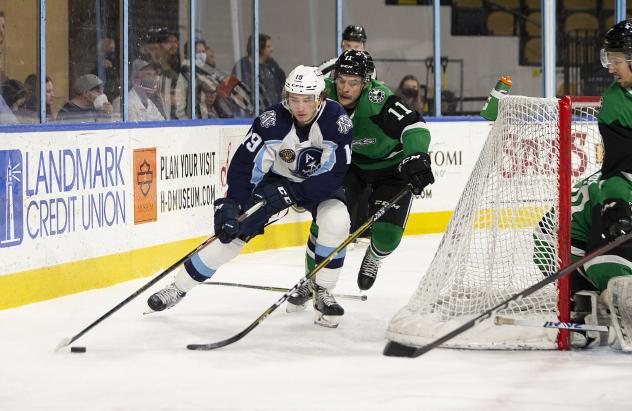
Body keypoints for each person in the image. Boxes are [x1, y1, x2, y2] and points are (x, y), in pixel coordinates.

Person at [146, 65, 354, 328]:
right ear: (286, 97)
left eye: (307, 100)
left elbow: (335, 173)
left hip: (317, 184)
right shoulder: (271, 121)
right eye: (294, 99)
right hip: (276, 180)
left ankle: (323, 290)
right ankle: (178, 288)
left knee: (337, 220)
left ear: (320, 98)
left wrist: (293, 192)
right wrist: (233, 202)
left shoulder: (337, 120)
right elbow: (244, 164)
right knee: (232, 231)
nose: (300, 107)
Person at [292, 50, 433, 297]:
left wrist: (416, 156)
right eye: (341, 80)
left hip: (391, 169)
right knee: (328, 220)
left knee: (387, 237)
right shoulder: (322, 94)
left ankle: (375, 255)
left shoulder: (378, 100)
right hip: (350, 166)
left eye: (353, 82)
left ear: (366, 82)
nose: (345, 88)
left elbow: (415, 126)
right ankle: (311, 280)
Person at [533, 19, 632, 351]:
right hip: (611, 197)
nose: (611, 68)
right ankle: (582, 295)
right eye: (610, 58)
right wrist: (618, 207)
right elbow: (620, 169)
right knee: (554, 235)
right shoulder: (616, 102)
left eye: (617, 59)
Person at [232, 33, 286, 109]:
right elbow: (233, 89)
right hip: (252, 112)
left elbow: (282, 82)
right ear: (260, 48)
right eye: (268, 47)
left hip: (274, 110)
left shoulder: (272, 64)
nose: (272, 49)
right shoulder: (242, 65)